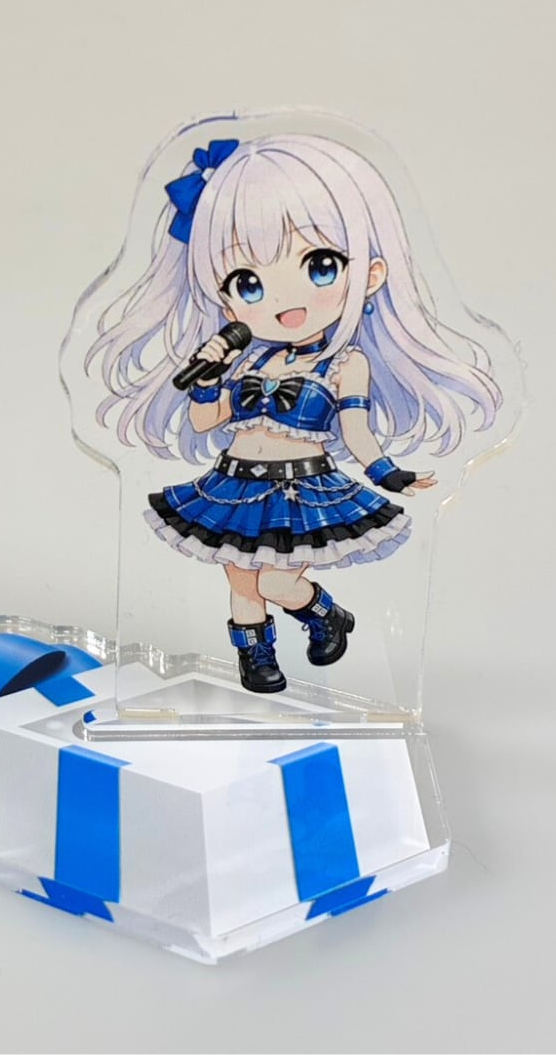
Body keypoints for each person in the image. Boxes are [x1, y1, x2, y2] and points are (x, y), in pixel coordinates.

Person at [89, 134, 500, 693]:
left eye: (320, 266)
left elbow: (356, 431)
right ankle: (256, 659)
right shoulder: (248, 359)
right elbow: (208, 422)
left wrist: (390, 474)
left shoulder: (345, 364)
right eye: (248, 282)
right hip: (233, 483)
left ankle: (325, 614)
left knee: (276, 582)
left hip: (300, 487)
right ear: (226, 298)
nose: (283, 299)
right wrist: (207, 381)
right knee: (241, 578)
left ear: (370, 274)